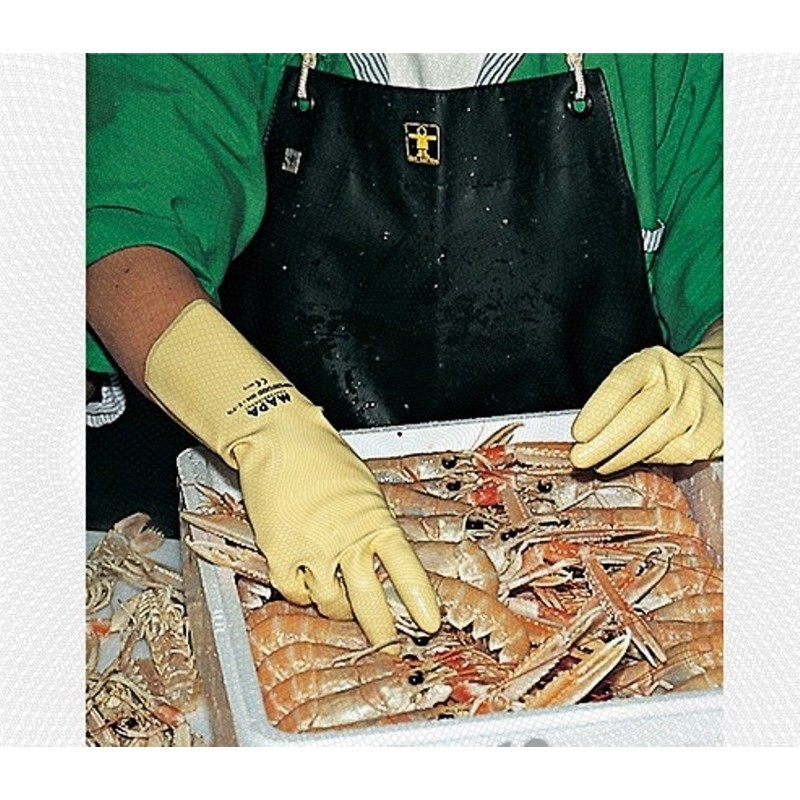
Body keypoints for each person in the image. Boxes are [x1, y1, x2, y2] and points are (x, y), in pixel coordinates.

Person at [86, 53, 722, 651]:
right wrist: (259, 423)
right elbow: (119, 231)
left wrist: (728, 365)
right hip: (281, 503)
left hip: (592, 506)